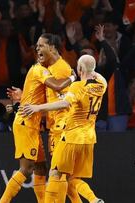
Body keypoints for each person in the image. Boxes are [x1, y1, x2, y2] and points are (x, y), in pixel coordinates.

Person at [0, 33, 77, 203]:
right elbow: (54, 93)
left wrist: (23, 98)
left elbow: (59, 102)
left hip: (51, 126)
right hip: (30, 124)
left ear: (52, 47)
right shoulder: (42, 69)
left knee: (42, 169)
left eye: (41, 45)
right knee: (30, 169)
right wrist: (73, 77)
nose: (37, 49)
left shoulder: (59, 68)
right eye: (37, 46)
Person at [20, 55, 106, 203]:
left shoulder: (77, 87)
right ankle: (94, 200)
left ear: (79, 69)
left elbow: (65, 104)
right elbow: (97, 75)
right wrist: (90, 69)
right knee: (73, 178)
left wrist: (37, 107)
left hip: (71, 136)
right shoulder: (101, 85)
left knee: (55, 173)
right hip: (89, 139)